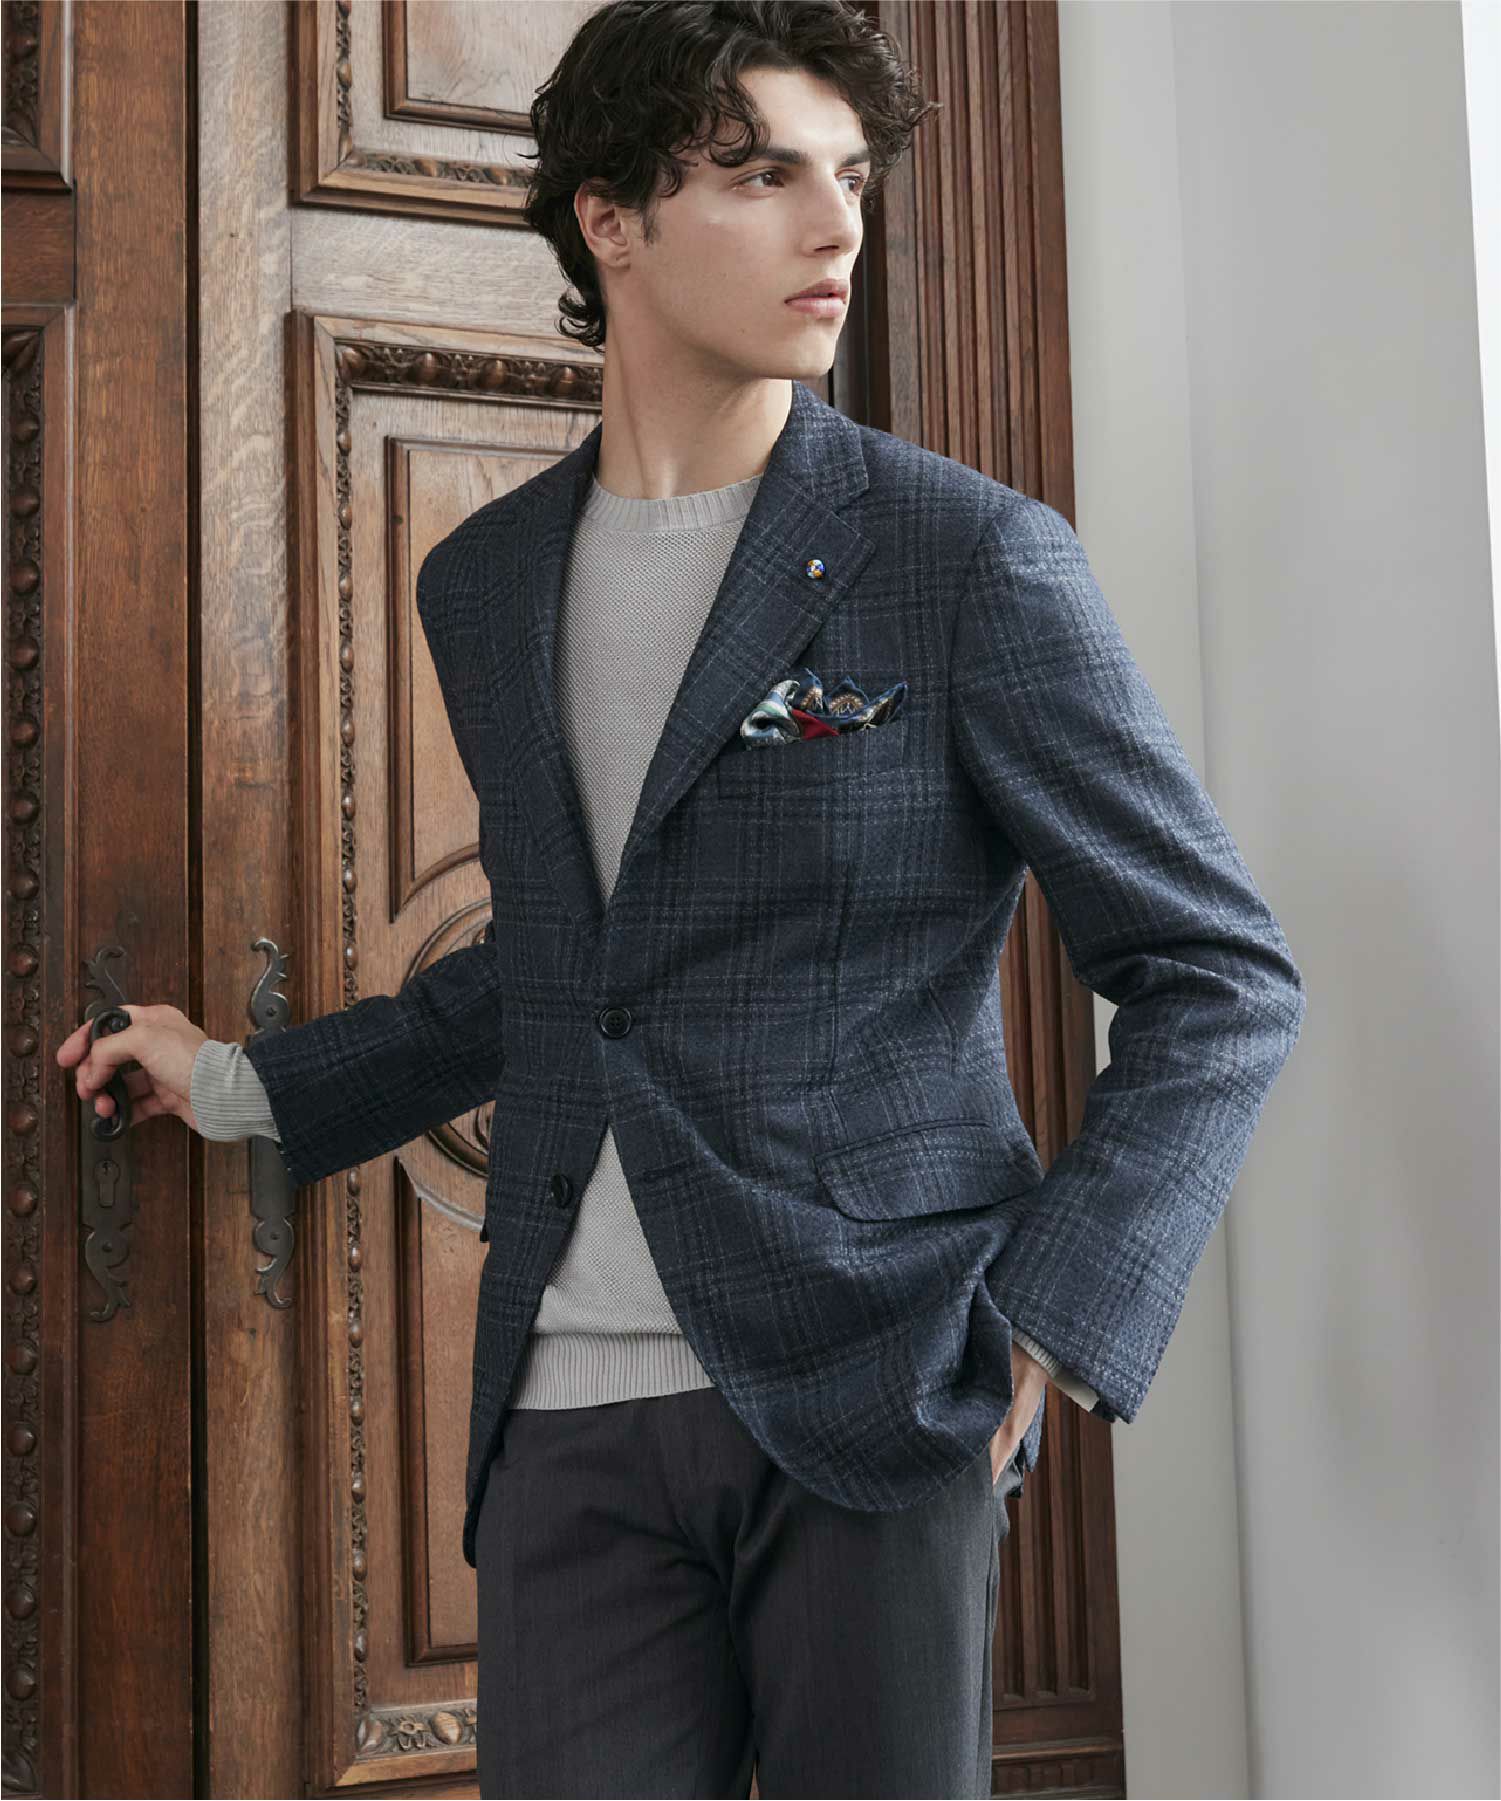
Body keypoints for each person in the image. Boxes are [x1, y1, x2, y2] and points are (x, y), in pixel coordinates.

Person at [55, 4, 1306, 1795]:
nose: (834, 224)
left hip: (877, 1393)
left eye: (849, 177)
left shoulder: (963, 557)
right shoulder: (483, 582)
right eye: (761, 175)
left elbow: (1217, 972)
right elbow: (566, 969)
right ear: (610, 220)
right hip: (561, 1420)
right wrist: (241, 1081)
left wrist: (1046, 1327)